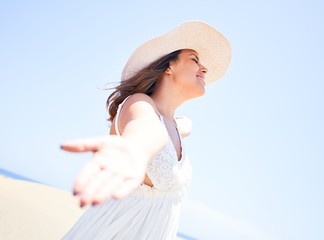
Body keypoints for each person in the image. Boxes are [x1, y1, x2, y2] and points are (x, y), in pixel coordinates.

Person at [61, 21, 231, 239]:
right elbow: (147, 131)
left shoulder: (175, 125)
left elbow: (181, 125)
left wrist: (182, 125)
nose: (204, 68)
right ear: (169, 66)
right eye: (195, 60)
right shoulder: (139, 104)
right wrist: (135, 152)